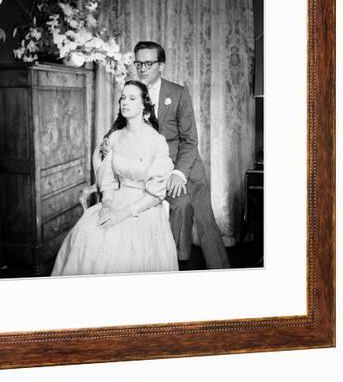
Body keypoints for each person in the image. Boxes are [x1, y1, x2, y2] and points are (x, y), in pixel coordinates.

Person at [51, 80, 178, 276]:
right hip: (116, 198)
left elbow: (155, 194)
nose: (125, 102)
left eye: (132, 98)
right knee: (86, 235)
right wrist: (108, 204)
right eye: (123, 98)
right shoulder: (115, 138)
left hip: (145, 206)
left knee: (125, 249)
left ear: (144, 105)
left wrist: (121, 215)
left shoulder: (156, 141)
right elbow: (107, 178)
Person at [132, 41, 230, 270]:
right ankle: (178, 262)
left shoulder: (178, 93)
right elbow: (122, 125)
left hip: (186, 165)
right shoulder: (133, 92)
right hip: (154, 167)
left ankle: (223, 273)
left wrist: (178, 173)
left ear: (161, 65)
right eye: (139, 63)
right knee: (181, 207)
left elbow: (190, 140)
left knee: (205, 221)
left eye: (148, 63)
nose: (142, 68)